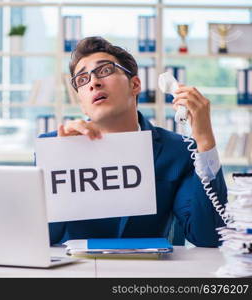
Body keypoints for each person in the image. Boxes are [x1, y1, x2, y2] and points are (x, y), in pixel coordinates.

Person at [39, 36, 227, 247]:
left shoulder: (178, 150)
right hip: (75, 274)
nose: (94, 82)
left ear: (135, 84)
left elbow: (208, 236)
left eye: (105, 70)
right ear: (82, 104)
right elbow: (43, 237)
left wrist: (204, 140)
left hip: (144, 275)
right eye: (82, 80)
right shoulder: (53, 147)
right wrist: (61, 162)